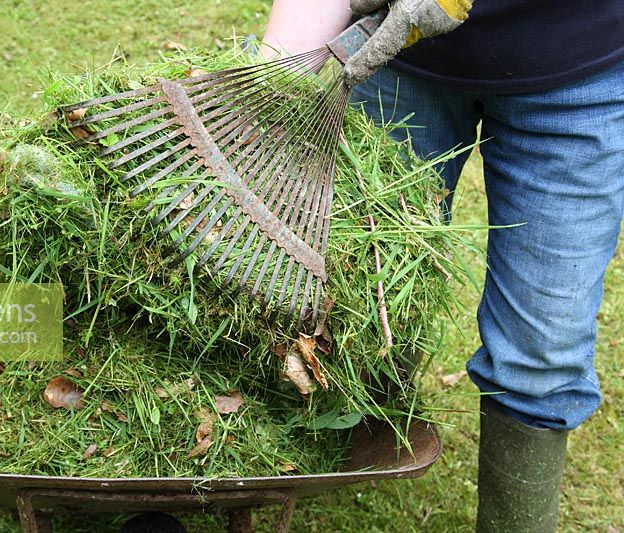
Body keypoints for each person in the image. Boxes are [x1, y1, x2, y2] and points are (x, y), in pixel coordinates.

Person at [261, 1, 624, 531]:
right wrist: (275, 71)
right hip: (402, 58)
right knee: (362, 291)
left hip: (575, 74)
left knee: (542, 350)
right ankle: (349, 444)